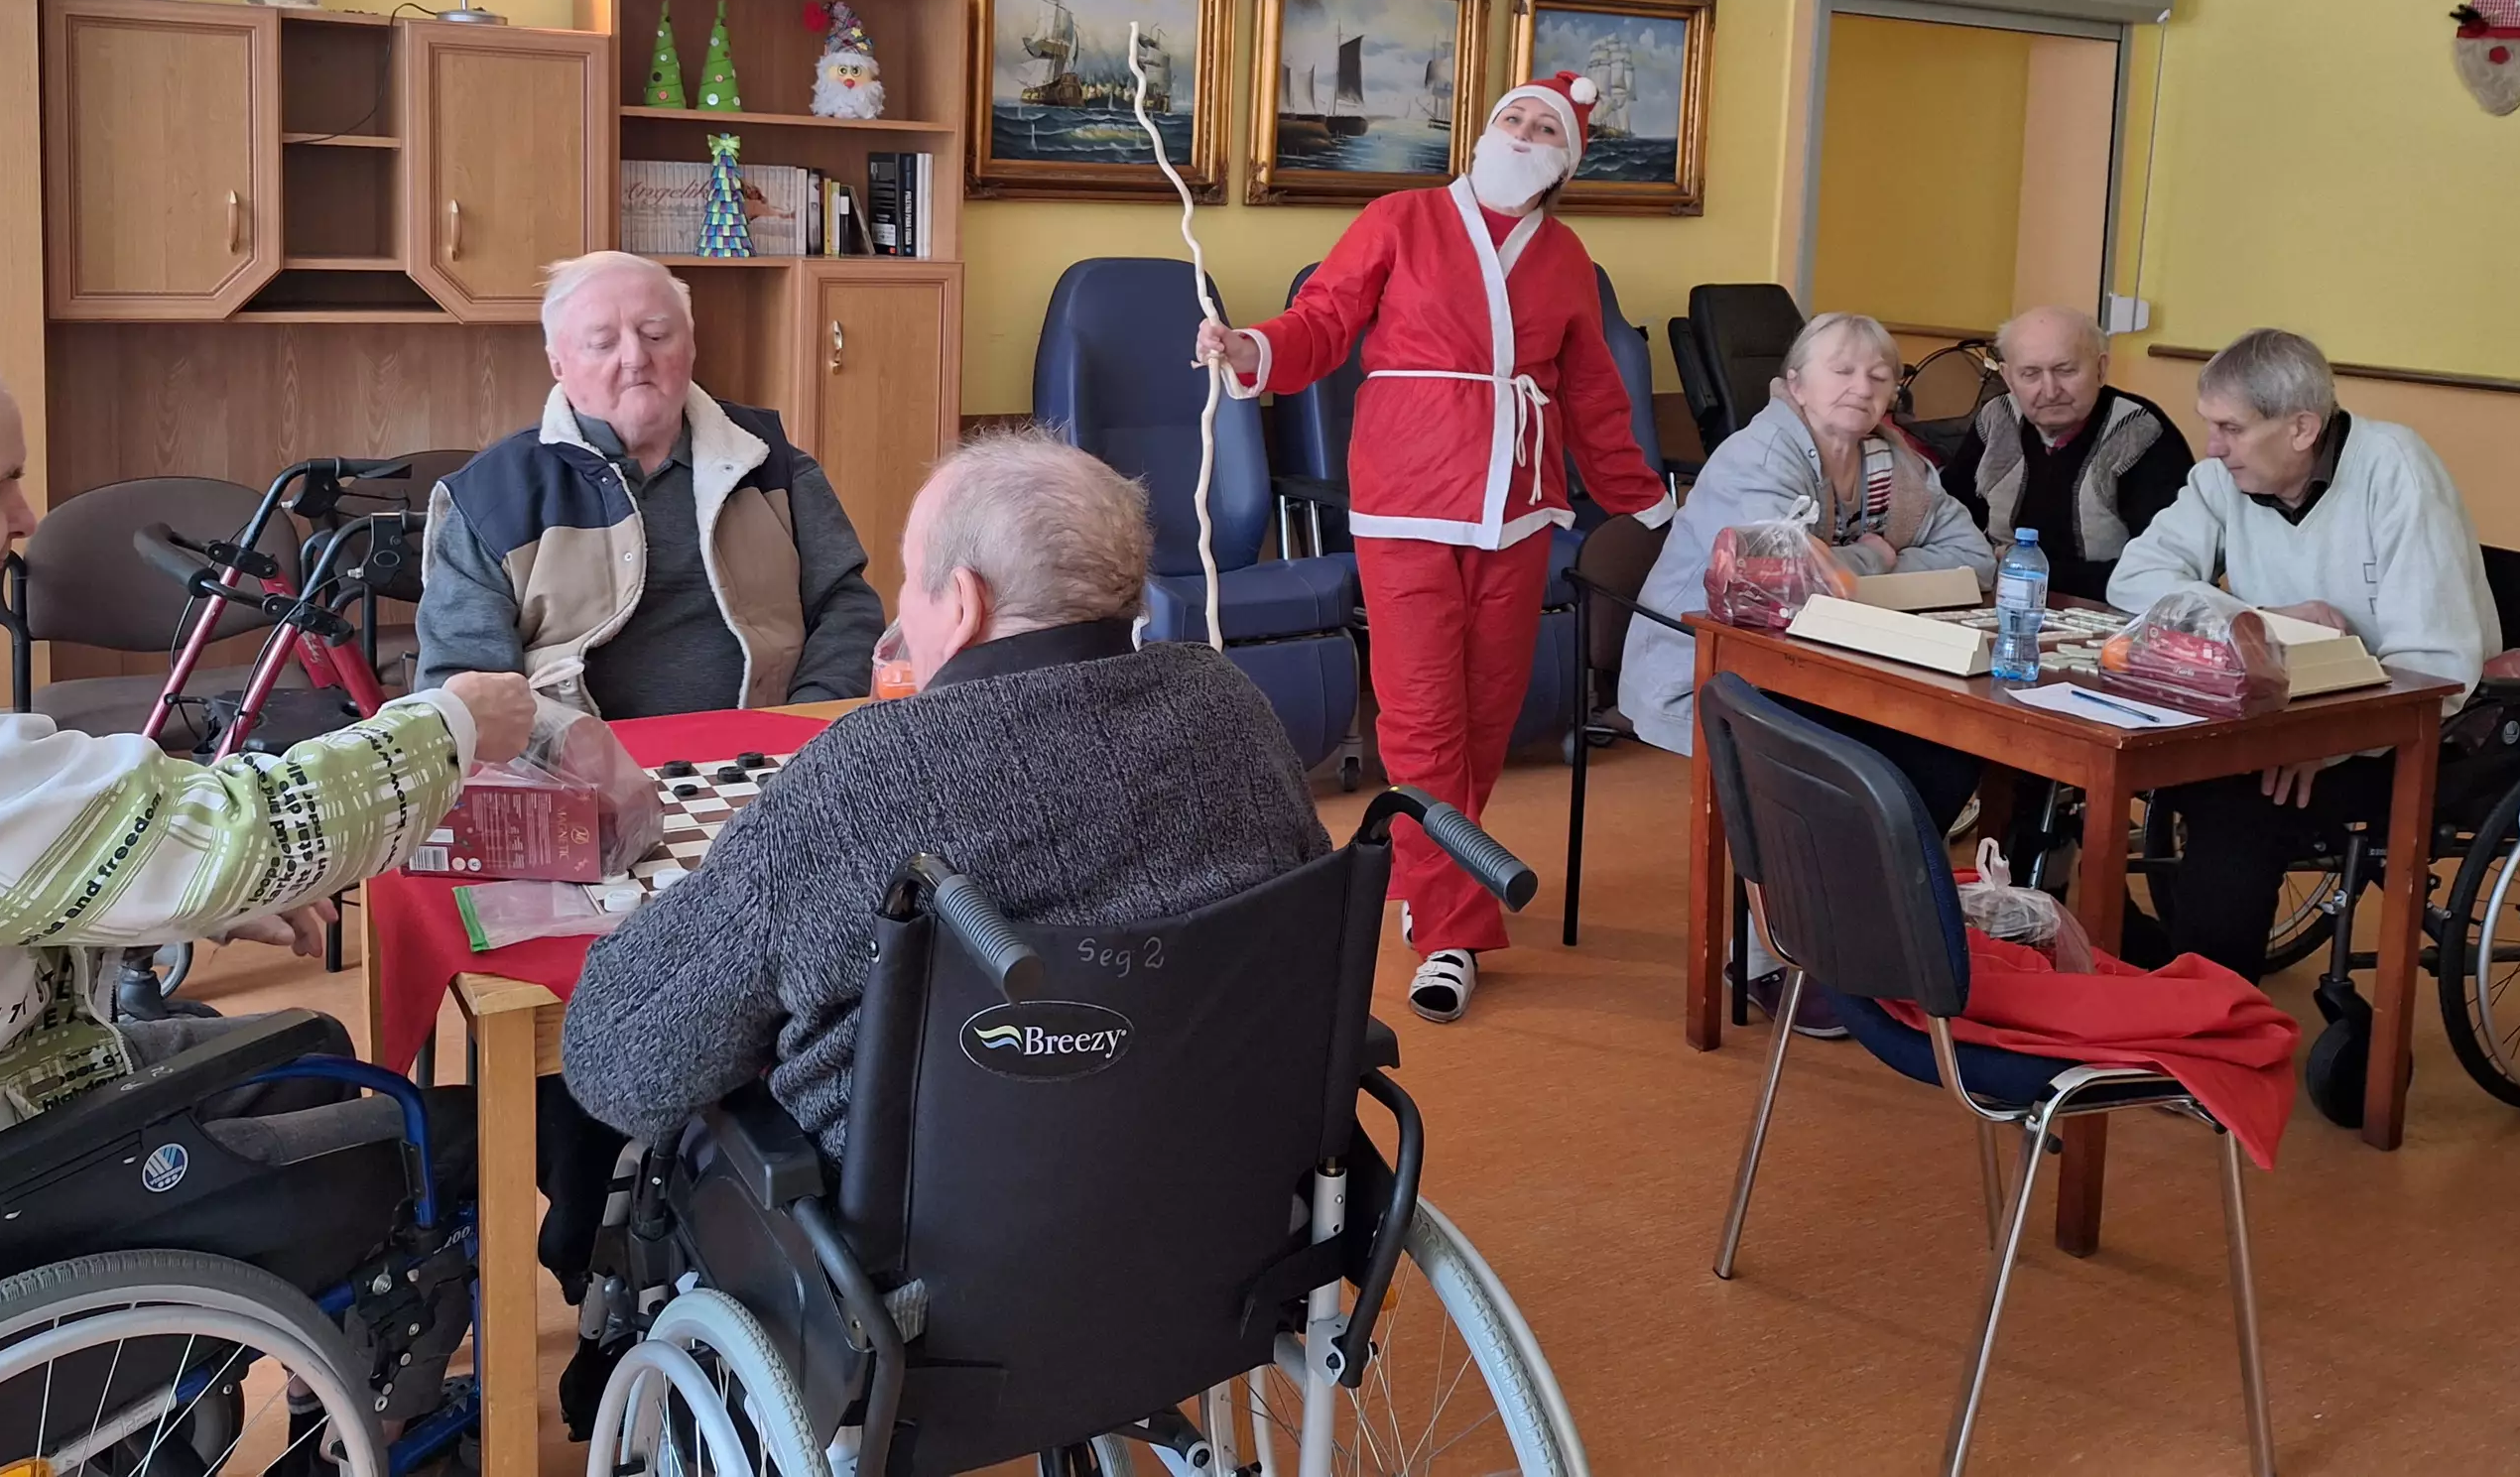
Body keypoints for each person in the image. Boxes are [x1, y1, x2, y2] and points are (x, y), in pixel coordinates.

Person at [0, 312, 537, 1214]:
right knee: (464, 1135)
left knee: (312, 1048)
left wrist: (164, 901)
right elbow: (224, 833)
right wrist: (452, 726)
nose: (25, 519)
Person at [561, 430, 1329, 1160]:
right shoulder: (1232, 709)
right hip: (1232, 1190)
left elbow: (616, 1060)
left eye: (910, 580)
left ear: (963, 604)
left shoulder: (861, 780)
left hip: (909, 1232)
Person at [1192, 74, 1675, 1023]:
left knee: (1487, 713)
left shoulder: (1566, 256)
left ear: (1564, 162)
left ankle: (1435, 876)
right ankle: (1453, 928)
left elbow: (1592, 394)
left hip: (1516, 508)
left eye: (1545, 128)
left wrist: (1648, 506)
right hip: (1407, 499)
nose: (1523, 133)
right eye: (1513, 118)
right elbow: (1325, 318)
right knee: (1420, 717)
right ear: (1485, 133)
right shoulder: (1400, 218)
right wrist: (1253, 350)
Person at [2107, 327, 2498, 980]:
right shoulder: (2221, 479)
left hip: (2401, 731)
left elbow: (2435, 666)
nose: (2212, 447)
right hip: (2280, 714)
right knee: (2165, 762)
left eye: (2231, 428)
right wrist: (2260, 618)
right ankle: (2163, 975)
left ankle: (2211, 1013)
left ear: (2300, 428)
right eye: (2210, 425)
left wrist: (2328, 738)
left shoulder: (2394, 470)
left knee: (2236, 800)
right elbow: (2134, 579)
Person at [418, 251, 885, 736]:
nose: (636, 358)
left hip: (771, 754)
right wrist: (566, 762)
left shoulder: (772, 464)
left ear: (691, 344)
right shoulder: (489, 498)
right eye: (602, 343)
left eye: (657, 335)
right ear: (557, 362)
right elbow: (465, 687)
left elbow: (846, 609)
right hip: (570, 768)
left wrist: (804, 726)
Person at [1623, 309, 1998, 814]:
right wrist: (1875, 554)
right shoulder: (1758, 456)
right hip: (1714, 670)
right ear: (1796, 385)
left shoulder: (1895, 465)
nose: (1861, 388)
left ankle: (1881, 866)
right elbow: (1782, 584)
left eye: (1879, 377)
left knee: (1949, 752)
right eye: (1842, 371)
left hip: (1833, 661)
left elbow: (1975, 559)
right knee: (1871, 764)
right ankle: (1825, 865)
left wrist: (1854, 576)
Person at [1939, 305, 2193, 600]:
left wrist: (2026, 570)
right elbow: (1946, 523)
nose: (2050, 390)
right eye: (2030, 374)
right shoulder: (1997, 419)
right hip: (2001, 600)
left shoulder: (2140, 432)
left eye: (2065, 370)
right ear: (2008, 378)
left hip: (2107, 610)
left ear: (2100, 369)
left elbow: (2165, 569)